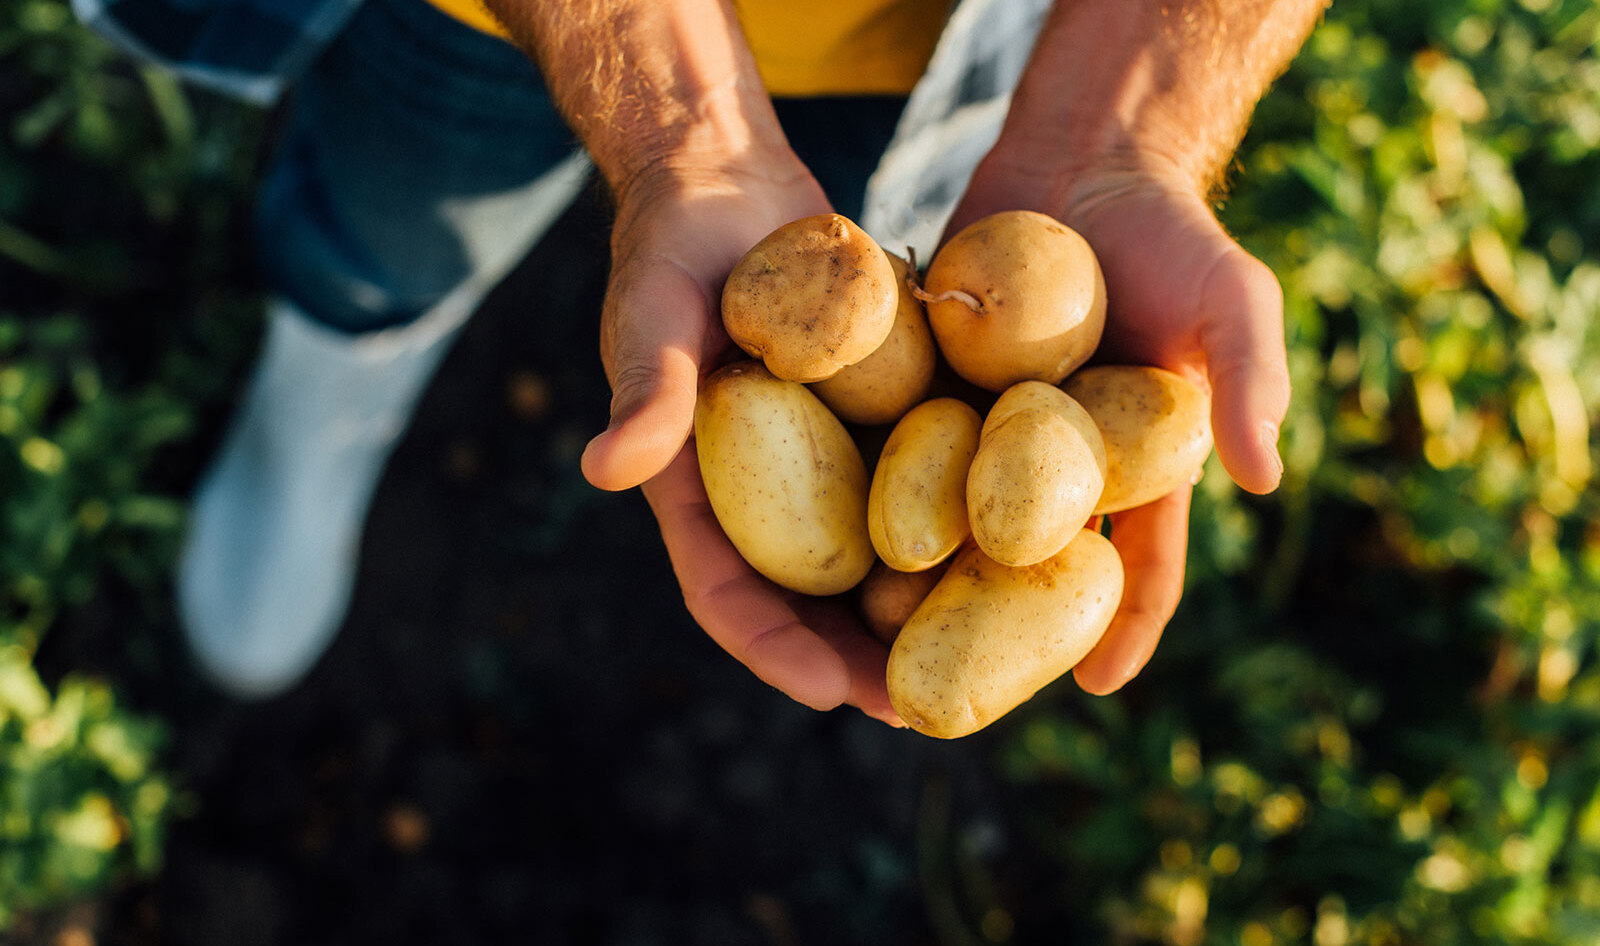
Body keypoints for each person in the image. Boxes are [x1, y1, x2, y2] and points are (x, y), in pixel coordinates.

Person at [80, 0, 1325, 722]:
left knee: (857, 245)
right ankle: (331, 394)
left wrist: (1123, 122)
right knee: (389, 223)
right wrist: (678, 119)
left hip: (953, 33)